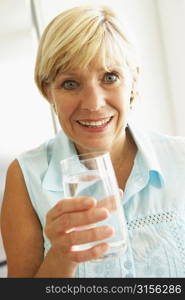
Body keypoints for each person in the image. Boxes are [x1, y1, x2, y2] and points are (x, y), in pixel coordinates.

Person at [1, 5, 185, 278]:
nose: (93, 103)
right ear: (46, 90)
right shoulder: (25, 177)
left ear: (133, 80)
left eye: (110, 77)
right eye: (70, 84)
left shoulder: (179, 158)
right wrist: (61, 255)